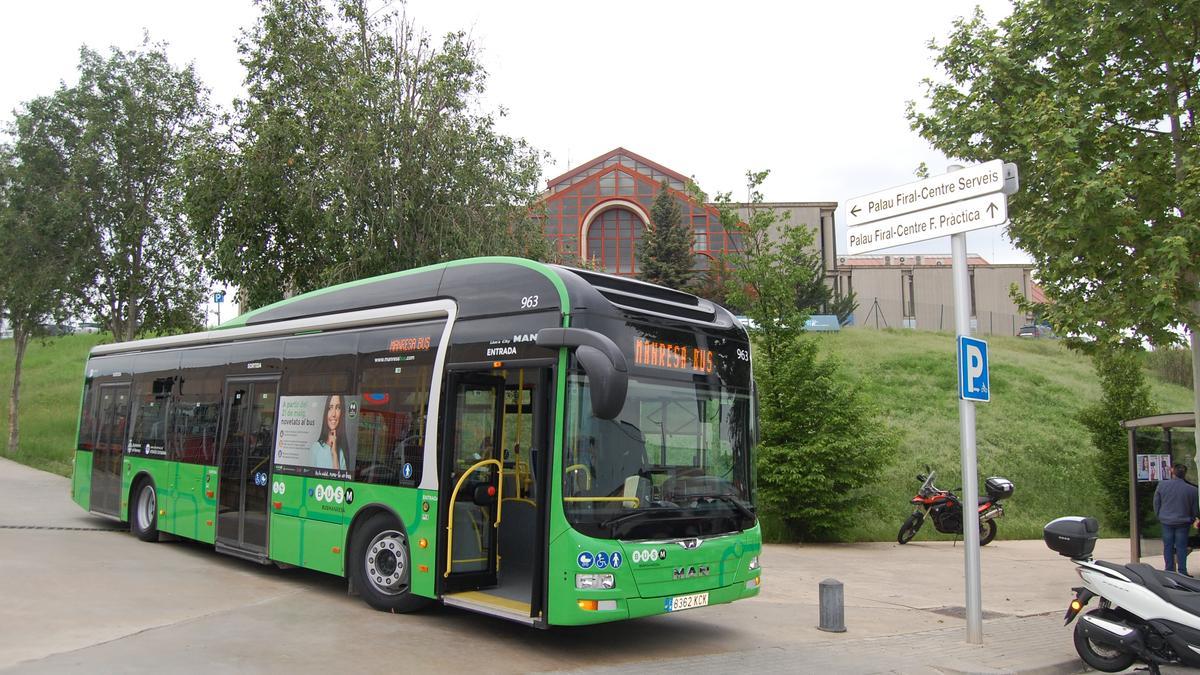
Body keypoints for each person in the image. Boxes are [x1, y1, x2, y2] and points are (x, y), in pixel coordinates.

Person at [1154, 463, 1200, 575]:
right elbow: (1195, 508)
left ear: (1172, 471)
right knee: (1181, 547)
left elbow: (1156, 503)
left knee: (1168, 546)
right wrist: (1193, 518)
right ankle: (1182, 571)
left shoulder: (1162, 485)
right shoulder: (1192, 490)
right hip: (1183, 522)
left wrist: (1159, 515)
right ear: (1185, 473)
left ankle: (1169, 570)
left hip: (1166, 520)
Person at [310, 395, 349, 471]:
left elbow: (339, 482)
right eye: (330, 408)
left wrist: (334, 454)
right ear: (326, 412)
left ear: (342, 412)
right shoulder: (315, 448)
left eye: (338, 408)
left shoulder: (341, 452)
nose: (333, 414)